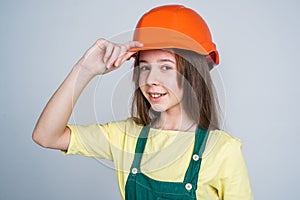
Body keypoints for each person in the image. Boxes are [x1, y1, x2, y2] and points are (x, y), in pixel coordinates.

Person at [32, 4, 253, 200]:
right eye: (145, 67)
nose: (150, 80)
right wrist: (84, 70)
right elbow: (46, 136)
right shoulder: (126, 137)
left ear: (194, 72)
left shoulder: (223, 150)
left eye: (166, 67)